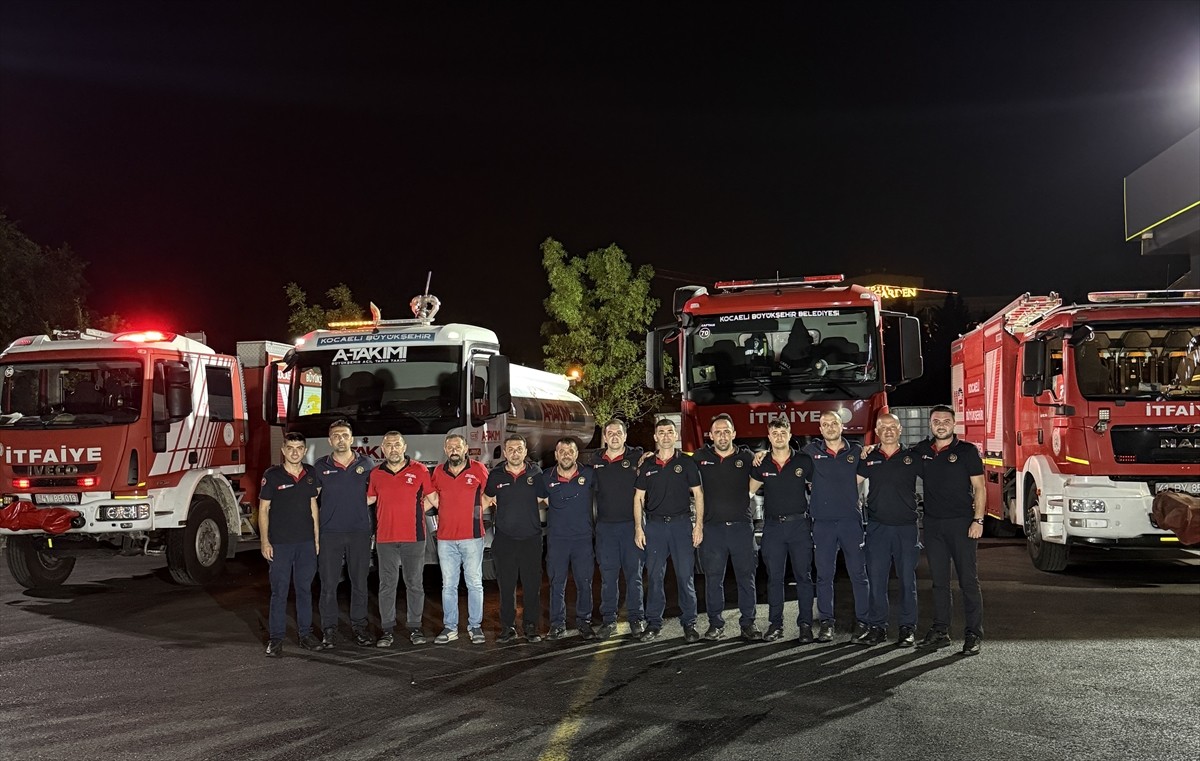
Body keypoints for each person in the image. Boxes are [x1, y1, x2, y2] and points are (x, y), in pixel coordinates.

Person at [914, 405, 986, 656]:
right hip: (933, 525)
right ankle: (941, 630)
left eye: (946, 420)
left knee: (968, 581)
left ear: (954, 424)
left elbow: (980, 488)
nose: (941, 425)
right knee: (939, 582)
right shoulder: (921, 451)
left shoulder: (966, 451)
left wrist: (978, 520)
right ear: (930, 425)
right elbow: (897, 460)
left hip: (963, 524)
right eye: (936, 421)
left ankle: (973, 633)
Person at [633, 418, 704, 643]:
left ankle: (689, 623)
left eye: (670, 432)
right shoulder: (647, 465)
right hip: (654, 527)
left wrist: (698, 525)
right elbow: (638, 498)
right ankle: (654, 623)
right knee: (654, 577)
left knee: (685, 577)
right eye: (661, 432)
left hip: (681, 525)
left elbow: (699, 495)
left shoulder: (687, 463)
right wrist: (638, 528)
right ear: (655, 437)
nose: (665, 435)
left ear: (676, 436)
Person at [855, 413, 922, 647]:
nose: (889, 430)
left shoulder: (912, 457)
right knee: (877, 580)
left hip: (906, 528)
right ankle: (878, 627)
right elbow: (852, 483)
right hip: (878, 528)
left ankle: (907, 628)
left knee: (907, 580)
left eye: (893, 426)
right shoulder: (869, 457)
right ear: (877, 431)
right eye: (883, 427)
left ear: (900, 429)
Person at [802, 410, 870, 643]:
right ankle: (826, 624)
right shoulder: (810, 452)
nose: (830, 427)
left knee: (859, 575)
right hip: (822, 524)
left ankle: (863, 622)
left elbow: (862, 475)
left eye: (834, 423)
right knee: (824, 577)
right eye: (825, 424)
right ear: (820, 430)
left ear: (842, 427)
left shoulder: (857, 451)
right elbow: (786, 461)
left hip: (851, 522)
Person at [749, 417, 816, 643]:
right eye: (774, 433)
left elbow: (820, 487)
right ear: (769, 437)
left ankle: (805, 625)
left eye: (783, 432)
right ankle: (775, 625)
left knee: (804, 578)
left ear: (789, 435)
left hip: (799, 526)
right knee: (774, 579)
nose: (779, 437)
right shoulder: (762, 464)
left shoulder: (804, 462)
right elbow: (747, 493)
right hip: (773, 528)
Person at [695, 413, 761, 641]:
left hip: (742, 528)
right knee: (713, 579)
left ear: (734, 434)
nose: (722, 435)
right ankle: (715, 624)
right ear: (710, 435)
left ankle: (748, 624)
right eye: (717, 431)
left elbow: (763, 472)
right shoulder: (699, 457)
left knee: (746, 577)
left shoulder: (747, 456)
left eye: (726, 431)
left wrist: (749, 493)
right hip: (713, 529)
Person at [367, 431, 435, 648]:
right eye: (389, 445)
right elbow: (369, 500)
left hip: (414, 537)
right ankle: (387, 630)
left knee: (414, 583)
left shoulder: (419, 470)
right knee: (387, 584)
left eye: (397, 444)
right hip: (385, 538)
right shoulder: (376, 473)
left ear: (404, 446)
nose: (393, 448)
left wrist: (414, 511)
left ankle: (415, 627)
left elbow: (433, 499)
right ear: (382, 449)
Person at [314, 418, 375, 648]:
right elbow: (312, 500)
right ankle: (329, 629)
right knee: (328, 584)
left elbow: (376, 495)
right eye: (336, 435)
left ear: (352, 439)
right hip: (330, 533)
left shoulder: (367, 464)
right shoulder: (321, 466)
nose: (341, 439)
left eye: (345, 435)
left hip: (359, 532)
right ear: (330, 440)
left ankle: (359, 627)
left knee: (359, 582)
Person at [260, 432, 322, 657]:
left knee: (305, 590)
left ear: (304, 451)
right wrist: (265, 541)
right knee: (279, 592)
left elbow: (313, 506)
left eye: (299, 448)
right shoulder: (272, 475)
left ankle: (305, 634)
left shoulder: (311, 474)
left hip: (305, 543)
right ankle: (276, 639)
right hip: (281, 544)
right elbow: (264, 509)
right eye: (291, 448)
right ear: (283, 450)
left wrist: (316, 539)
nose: (295, 452)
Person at [429, 432, 491, 645]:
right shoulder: (438, 472)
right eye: (450, 447)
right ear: (445, 450)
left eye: (458, 446)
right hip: (445, 538)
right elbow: (433, 498)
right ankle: (450, 627)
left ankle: (475, 627)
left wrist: (473, 513)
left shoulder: (478, 469)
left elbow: (489, 494)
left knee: (474, 583)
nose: (454, 450)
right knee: (449, 585)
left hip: (472, 537)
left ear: (466, 449)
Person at [483, 434, 545, 645]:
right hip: (505, 540)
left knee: (531, 586)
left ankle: (531, 627)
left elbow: (545, 498)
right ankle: (508, 628)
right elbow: (486, 499)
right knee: (506, 587)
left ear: (525, 452)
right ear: (505, 452)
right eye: (511, 449)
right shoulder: (496, 475)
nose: (515, 452)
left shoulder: (536, 473)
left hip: (531, 539)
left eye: (519, 449)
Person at [590, 418, 646, 640]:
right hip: (606, 528)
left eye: (618, 433)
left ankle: (636, 619)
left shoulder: (637, 458)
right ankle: (609, 620)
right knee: (608, 576)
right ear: (604, 437)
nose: (614, 436)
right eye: (609, 433)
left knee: (634, 575)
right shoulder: (595, 461)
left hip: (632, 526)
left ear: (625, 436)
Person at [541, 437, 596, 640]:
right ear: (556, 455)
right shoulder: (546, 477)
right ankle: (557, 624)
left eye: (570, 451)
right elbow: (532, 499)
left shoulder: (589, 474)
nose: (566, 454)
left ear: (576, 454)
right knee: (557, 583)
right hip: (557, 540)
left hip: (582, 539)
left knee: (585, 582)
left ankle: (584, 622)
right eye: (562, 451)